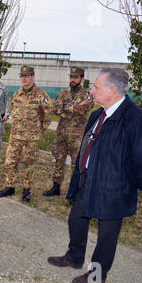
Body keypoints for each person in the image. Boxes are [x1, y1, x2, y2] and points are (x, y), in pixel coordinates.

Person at [47, 68, 142, 283]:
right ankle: (74, 257)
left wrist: (128, 185)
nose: (91, 91)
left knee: (106, 236)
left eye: (96, 87)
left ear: (111, 90)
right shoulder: (97, 115)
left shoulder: (136, 120)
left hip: (114, 189)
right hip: (88, 181)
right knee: (76, 220)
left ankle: (98, 275)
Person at [0, 65, 52, 202]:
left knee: (28, 164)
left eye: (27, 76)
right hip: (15, 136)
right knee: (9, 162)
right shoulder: (17, 94)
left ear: (33, 76)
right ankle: (10, 186)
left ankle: (26, 190)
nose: (24, 79)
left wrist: (39, 130)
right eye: (22, 76)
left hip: (31, 138)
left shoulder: (41, 95)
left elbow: (48, 115)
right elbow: (13, 110)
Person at [43, 67, 94, 197]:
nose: (72, 79)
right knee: (59, 160)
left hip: (77, 135)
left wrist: (65, 108)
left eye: (76, 77)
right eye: (71, 77)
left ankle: (74, 191)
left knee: (76, 163)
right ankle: (56, 187)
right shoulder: (63, 93)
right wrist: (71, 108)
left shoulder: (87, 95)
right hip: (62, 133)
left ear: (82, 79)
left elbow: (83, 109)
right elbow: (55, 109)